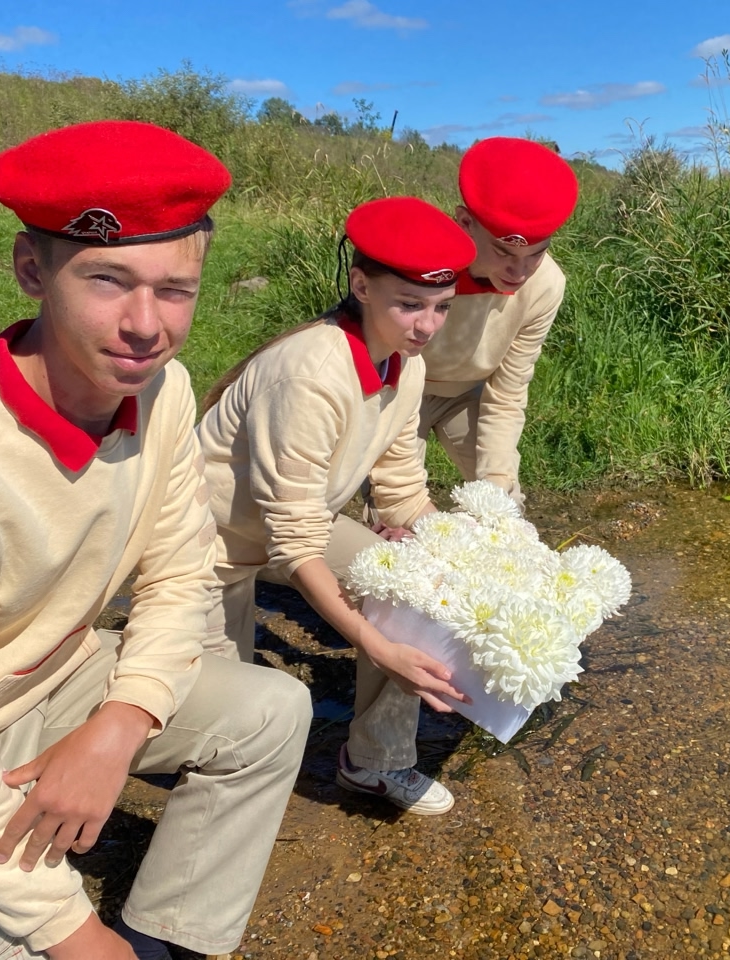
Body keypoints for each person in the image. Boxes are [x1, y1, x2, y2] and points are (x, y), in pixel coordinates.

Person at [0, 120, 312, 960]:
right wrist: (74, 932)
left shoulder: (163, 390)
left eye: (176, 289)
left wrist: (120, 723)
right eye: (108, 281)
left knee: (272, 709)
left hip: (62, 669)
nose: (145, 326)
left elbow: (180, 570)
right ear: (30, 270)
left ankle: (168, 935)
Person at [199, 196, 475, 816]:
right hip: (206, 543)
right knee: (223, 719)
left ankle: (375, 762)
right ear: (362, 286)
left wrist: (480, 559)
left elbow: (401, 491)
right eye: (410, 304)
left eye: (442, 307)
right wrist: (376, 645)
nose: (428, 325)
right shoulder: (310, 375)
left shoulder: (406, 364)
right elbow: (294, 541)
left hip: (291, 526)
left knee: (412, 584)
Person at [418, 136, 579, 507]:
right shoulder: (419, 263)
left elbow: (507, 392)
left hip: (465, 392)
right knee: (394, 517)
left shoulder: (546, 284)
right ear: (465, 223)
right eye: (503, 252)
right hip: (396, 390)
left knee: (505, 506)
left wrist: (496, 484)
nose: (519, 273)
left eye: (536, 254)